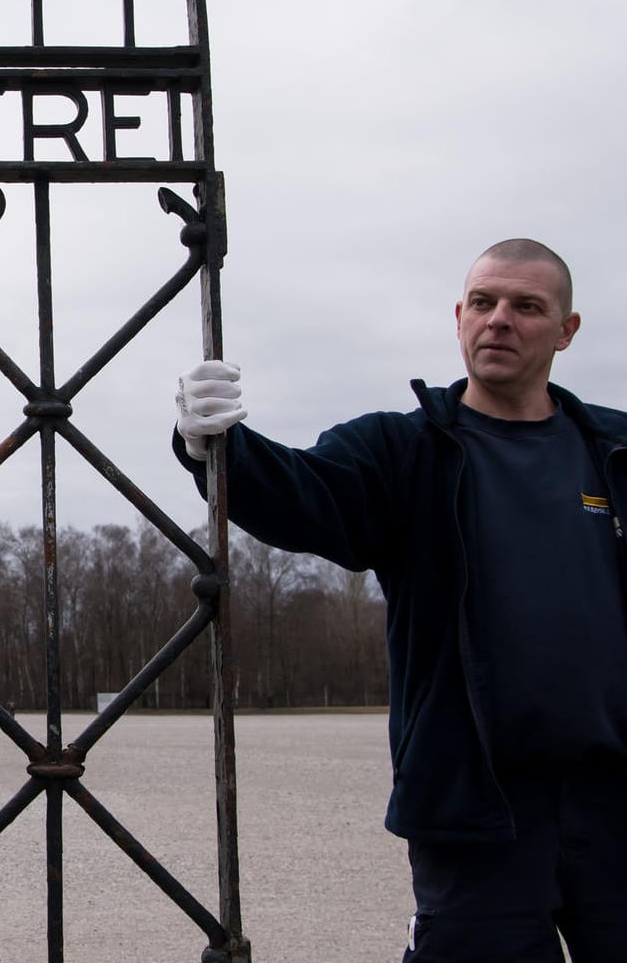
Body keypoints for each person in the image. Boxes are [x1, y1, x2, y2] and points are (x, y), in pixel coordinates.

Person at [173, 238, 627, 961]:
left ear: (567, 331)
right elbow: (304, 494)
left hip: (616, 805)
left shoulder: (615, 449)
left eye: (527, 307)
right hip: (477, 809)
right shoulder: (406, 450)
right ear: (459, 316)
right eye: (483, 302)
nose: (499, 320)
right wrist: (216, 445)